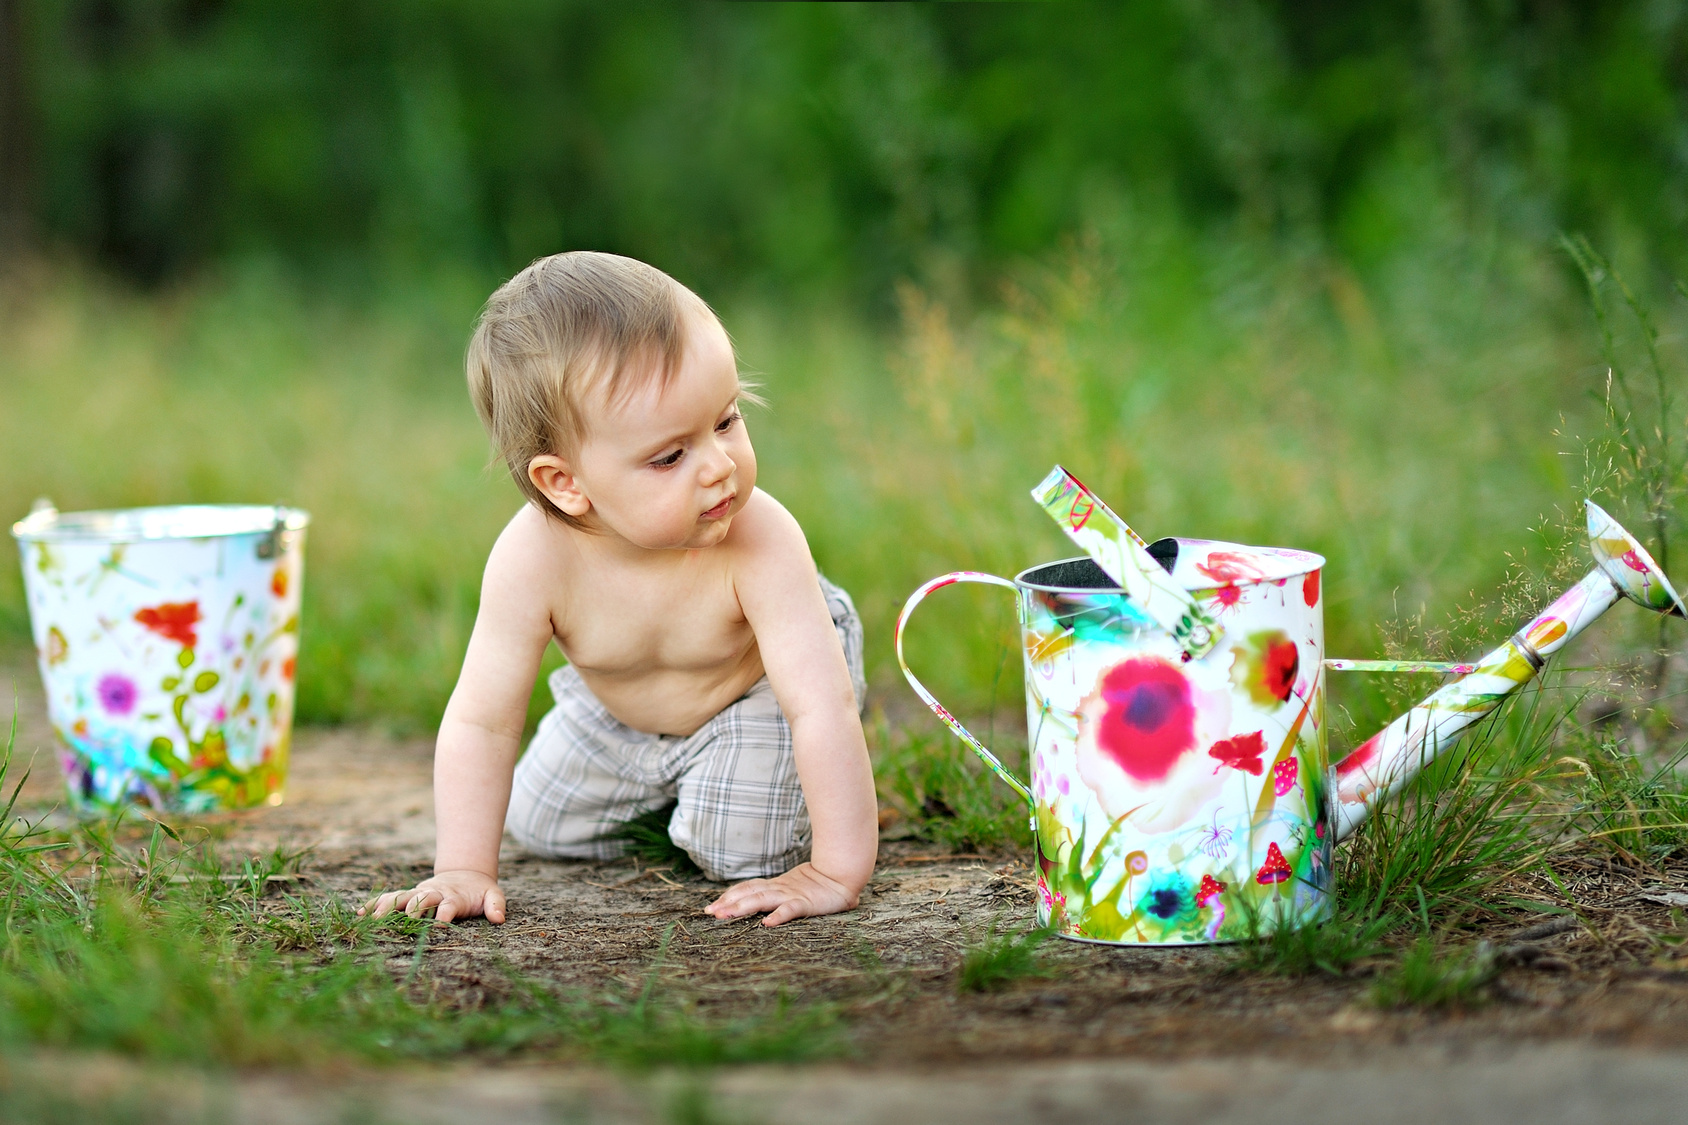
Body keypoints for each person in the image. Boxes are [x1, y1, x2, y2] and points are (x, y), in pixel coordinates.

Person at [363, 252, 876, 928]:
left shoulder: (761, 538)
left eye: (725, 421)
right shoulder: (531, 560)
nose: (720, 467)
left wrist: (837, 869)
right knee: (537, 818)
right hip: (623, 711)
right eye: (670, 456)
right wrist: (463, 865)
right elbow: (481, 720)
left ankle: (751, 795)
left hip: (755, 691)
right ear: (566, 484)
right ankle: (685, 783)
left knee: (740, 847)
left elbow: (819, 706)